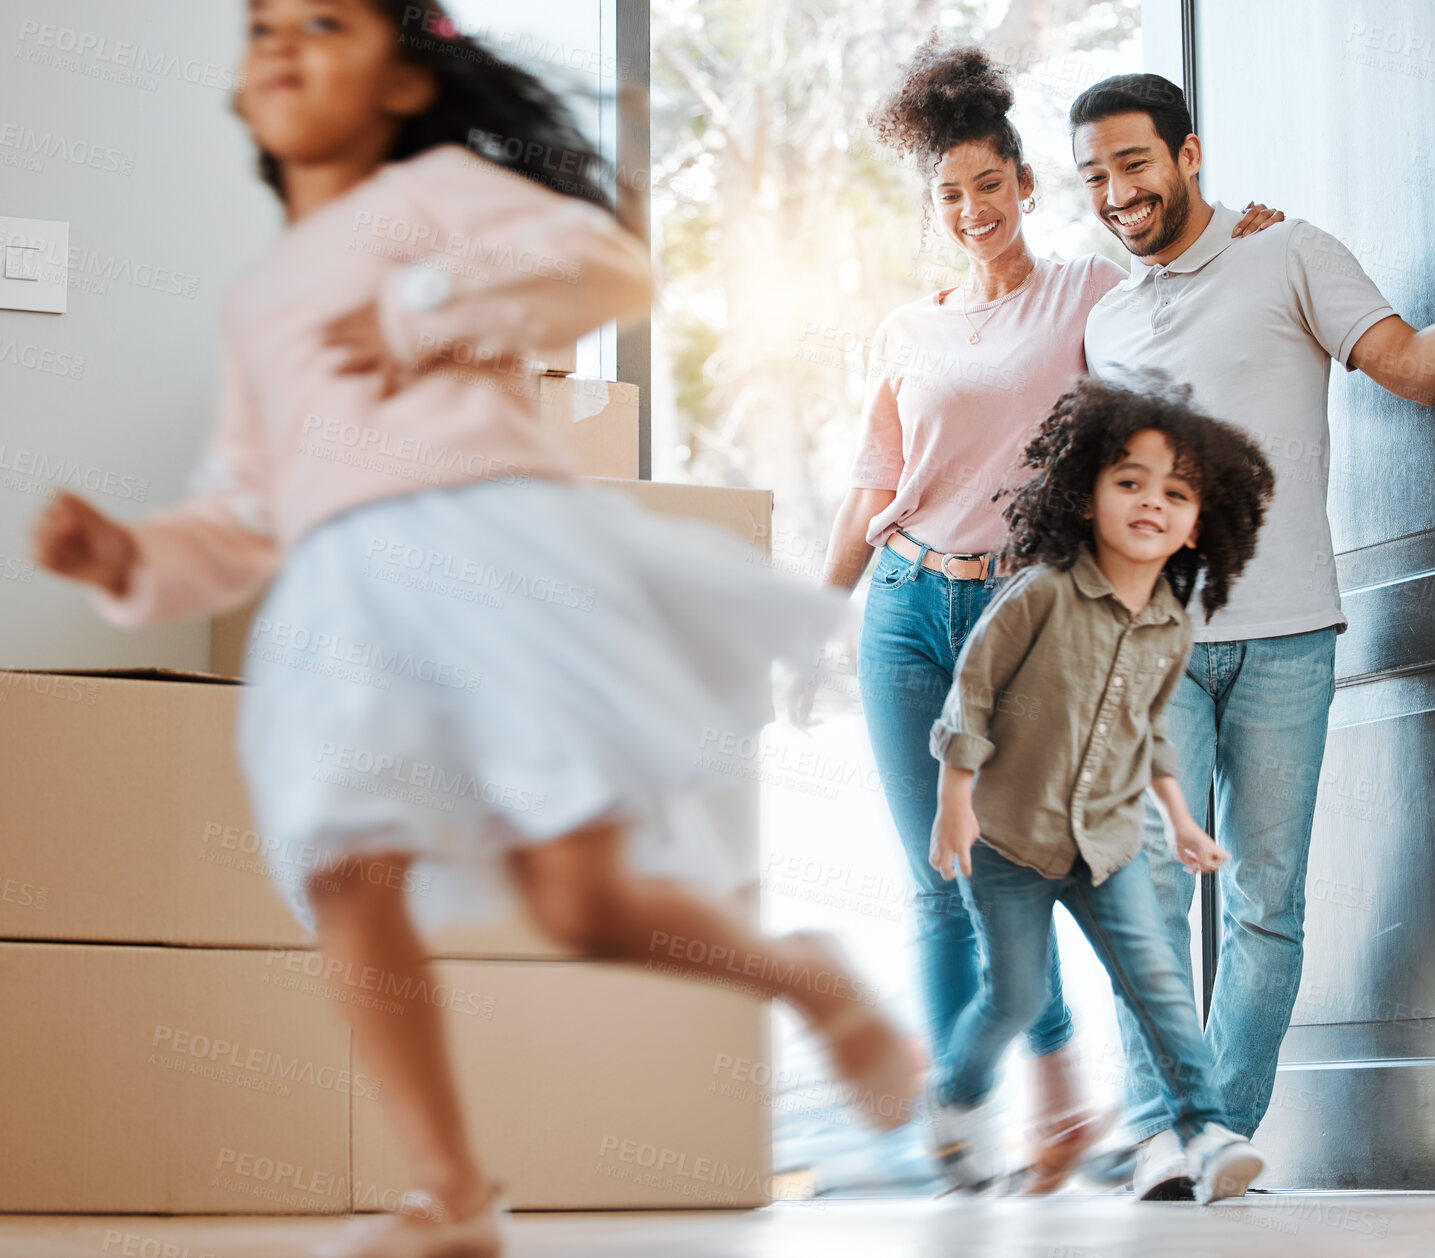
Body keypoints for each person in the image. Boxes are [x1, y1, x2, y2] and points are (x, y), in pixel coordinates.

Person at [31, 3, 917, 1256]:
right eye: (264, 27)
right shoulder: (262, 299)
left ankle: (808, 978)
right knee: (342, 865)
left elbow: (609, 270)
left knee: (581, 906)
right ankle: (452, 1193)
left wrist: (420, 307)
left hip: (491, 557)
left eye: (325, 23)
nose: (282, 43)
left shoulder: (440, 191)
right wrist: (129, 557)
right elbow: (243, 509)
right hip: (343, 596)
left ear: (402, 82)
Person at [795, 34, 1282, 1192]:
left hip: (1022, 617)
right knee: (937, 877)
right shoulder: (906, 330)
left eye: (988, 185)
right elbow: (874, 488)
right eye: (949, 193)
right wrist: (816, 609)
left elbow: (1183, 302)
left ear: (1023, 185)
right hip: (907, 605)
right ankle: (966, 1133)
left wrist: (1245, 248)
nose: (971, 208)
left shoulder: (1086, 296)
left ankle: (1074, 1100)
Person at [1070, 72, 1435, 1199]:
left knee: (1265, 898)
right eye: (1094, 175)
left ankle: (1213, 1131)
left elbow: (1419, 373)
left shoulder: (1288, 253)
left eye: (1133, 164)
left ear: (1188, 156)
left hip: (1291, 633)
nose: (1115, 192)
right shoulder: (1105, 318)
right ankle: (1159, 1127)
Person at [925, 377, 1275, 1204]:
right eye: (1130, 482)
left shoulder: (1168, 625)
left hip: (1107, 844)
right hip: (1009, 839)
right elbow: (968, 699)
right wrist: (954, 804)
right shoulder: (1039, 595)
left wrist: (1182, 821)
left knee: (1154, 978)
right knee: (1016, 996)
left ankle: (1206, 1130)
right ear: (1085, 498)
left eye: (1177, 492)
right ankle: (957, 1099)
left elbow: (1149, 731)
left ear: (1199, 525)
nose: (1153, 503)